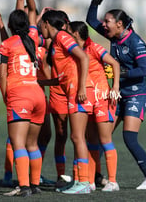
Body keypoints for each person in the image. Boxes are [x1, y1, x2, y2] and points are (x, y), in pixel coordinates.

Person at [86, 0, 146, 190]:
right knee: (103, 135)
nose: (104, 24)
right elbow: (91, 19)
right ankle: (96, 176)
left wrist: (121, 71)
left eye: (108, 21)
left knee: (129, 137)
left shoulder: (135, 42)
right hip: (116, 94)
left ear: (119, 24)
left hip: (136, 94)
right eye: (106, 21)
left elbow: (143, 70)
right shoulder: (113, 36)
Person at [0, 0, 46, 196]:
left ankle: (23, 186)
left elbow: (3, 74)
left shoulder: (6, 45)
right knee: (32, 144)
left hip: (20, 95)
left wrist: (7, 96)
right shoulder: (33, 38)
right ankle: (34, 184)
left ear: (10, 26)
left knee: (18, 144)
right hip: (38, 94)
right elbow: (32, 8)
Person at [40, 10, 95, 194]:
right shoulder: (56, 42)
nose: (41, 29)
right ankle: (81, 181)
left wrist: (80, 88)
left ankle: (84, 183)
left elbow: (84, 57)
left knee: (77, 137)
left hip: (79, 91)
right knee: (76, 137)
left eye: (42, 25)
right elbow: (62, 76)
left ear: (47, 23)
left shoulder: (62, 36)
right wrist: (39, 82)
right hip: (72, 90)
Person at [69, 21, 121, 192]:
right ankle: (90, 181)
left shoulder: (94, 48)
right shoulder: (74, 51)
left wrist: (115, 87)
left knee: (105, 140)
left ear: (76, 34)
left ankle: (113, 181)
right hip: (88, 98)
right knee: (91, 141)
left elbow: (115, 64)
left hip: (102, 98)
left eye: (69, 32)